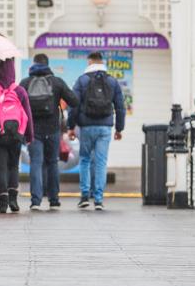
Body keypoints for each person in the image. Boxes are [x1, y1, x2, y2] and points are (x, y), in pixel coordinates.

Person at [68, 51, 125, 211]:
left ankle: (85, 196)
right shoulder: (112, 81)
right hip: (105, 127)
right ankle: (98, 199)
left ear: (90, 62)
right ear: (102, 62)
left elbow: (74, 105)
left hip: (86, 126)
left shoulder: (82, 80)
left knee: (85, 160)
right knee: (101, 162)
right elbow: (120, 106)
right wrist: (119, 128)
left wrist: (71, 126)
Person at [20, 53, 78, 210]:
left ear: (33, 64)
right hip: (53, 130)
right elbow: (74, 101)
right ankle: (53, 200)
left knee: (36, 163)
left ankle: (36, 201)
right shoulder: (56, 82)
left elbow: (18, 106)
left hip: (33, 131)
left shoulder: (25, 83)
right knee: (52, 163)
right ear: (47, 64)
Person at [0, 58, 32, 213]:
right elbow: (27, 114)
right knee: (13, 166)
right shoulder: (19, 90)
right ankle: (13, 201)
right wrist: (29, 136)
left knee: (1, 167)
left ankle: (3, 202)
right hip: (16, 135)